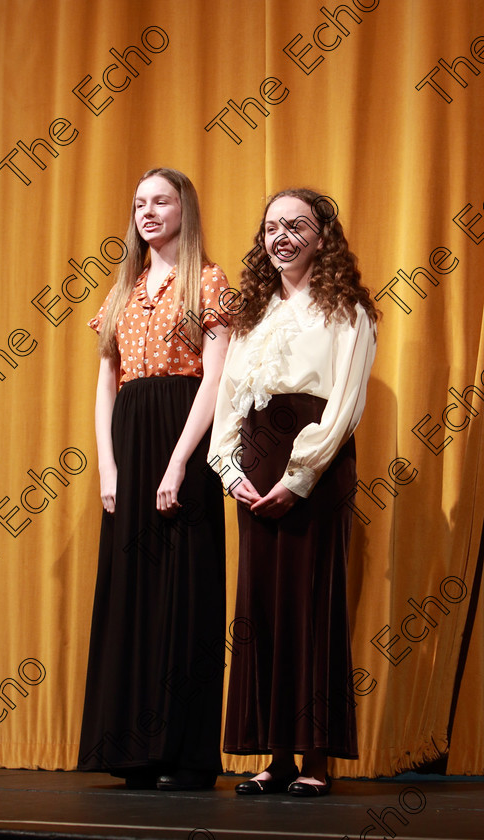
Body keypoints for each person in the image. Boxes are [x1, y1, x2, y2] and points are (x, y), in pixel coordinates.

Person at [208, 188, 378, 796]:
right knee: (261, 608)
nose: (281, 236)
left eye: (297, 226)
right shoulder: (250, 313)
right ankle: (277, 757)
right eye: (272, 226)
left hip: (315, 465)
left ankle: (315, 761)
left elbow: (345, 405)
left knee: (311, 604)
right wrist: (230, 469)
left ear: (322, 236)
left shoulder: (349, 311)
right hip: (255, 462)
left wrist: (298, 477)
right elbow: (228, 398)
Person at [78, 168, 230, 791]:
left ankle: (183, 752)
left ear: (184, 209)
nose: (148, 211)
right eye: (139, 201)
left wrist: (177, 462)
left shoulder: (210, 281)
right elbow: (105, 384)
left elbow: (215, 380)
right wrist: (108, 465)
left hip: (184, 438)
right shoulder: (122, 290)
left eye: (161, 200)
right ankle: (132, 748)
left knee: (183, 588)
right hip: (130, 441)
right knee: (131, 591)